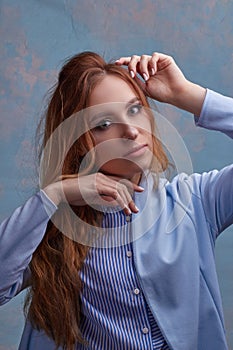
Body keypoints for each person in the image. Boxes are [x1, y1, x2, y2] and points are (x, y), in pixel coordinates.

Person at [0, 51, 232, 350]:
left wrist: (186, 95)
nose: (132, 131)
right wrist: (54, 195)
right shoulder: (55, 224)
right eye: (104, 123)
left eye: (135, 110)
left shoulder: (196, 200)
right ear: (79, 141)